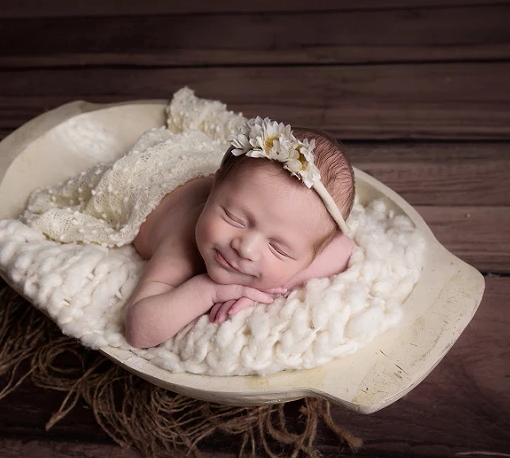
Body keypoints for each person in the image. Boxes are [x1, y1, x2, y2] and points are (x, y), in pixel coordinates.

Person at [125, 118, 356, 349]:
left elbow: (344, 247)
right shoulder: (181, 246)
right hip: (151, 176)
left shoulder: (300, 233)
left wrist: (269, 287)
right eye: (234, 218)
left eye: (278, 248)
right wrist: (208, 291)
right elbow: (139, 330)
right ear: (214, 190)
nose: (246, 248)